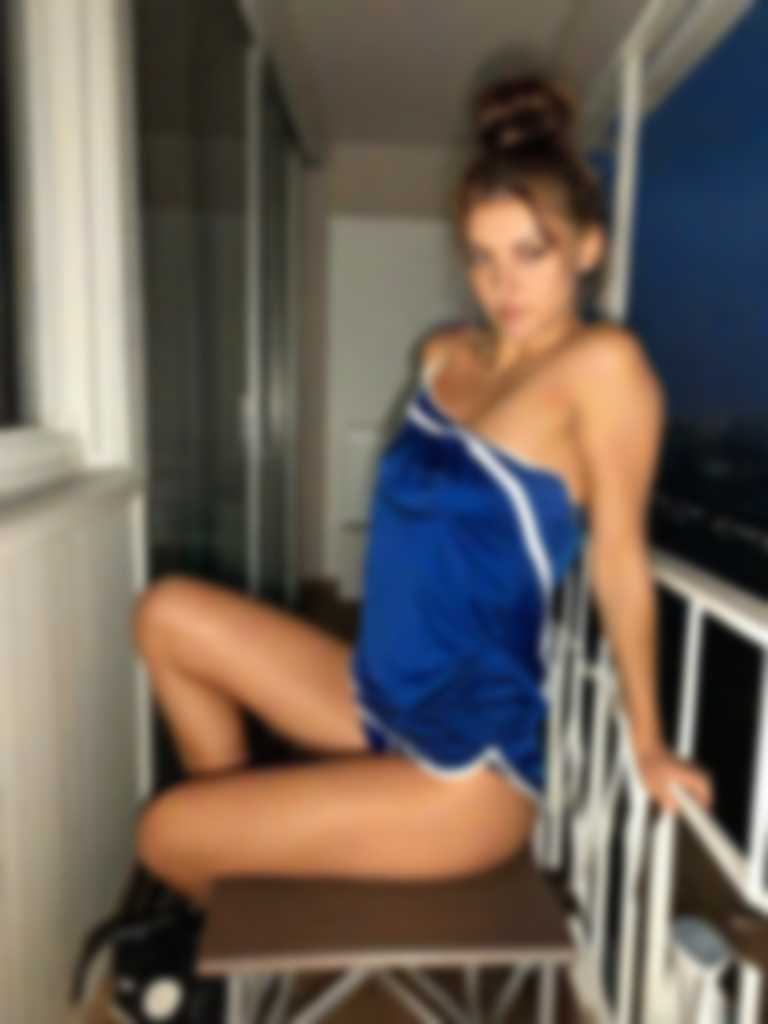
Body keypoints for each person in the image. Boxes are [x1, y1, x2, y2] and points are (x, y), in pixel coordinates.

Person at [132, 73, 714, 915]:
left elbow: (620, 563)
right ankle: (243, 883)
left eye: (531, 253)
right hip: (376, 694)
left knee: (166, 834)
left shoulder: (602, 369)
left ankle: (232, 894)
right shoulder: (445, 355)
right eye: (481, 257)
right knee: (165, 615)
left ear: (588, 249)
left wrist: (649, 741)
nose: (504, 285)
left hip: (471, 765)